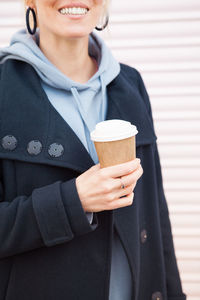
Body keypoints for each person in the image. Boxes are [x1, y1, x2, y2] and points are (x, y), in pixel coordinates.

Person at [0, 0, 186, 299]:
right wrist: (73, 201)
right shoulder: (4, 87)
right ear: (29, 2)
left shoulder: (130, 83)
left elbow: (155, 210)